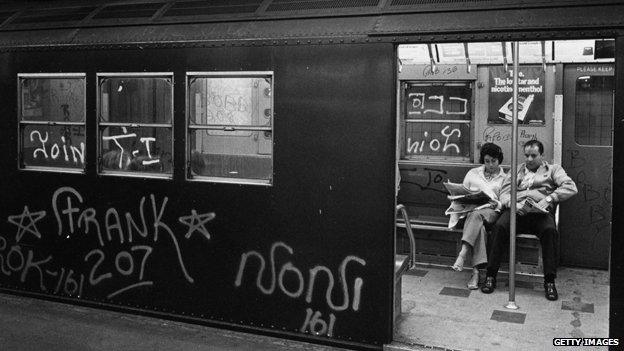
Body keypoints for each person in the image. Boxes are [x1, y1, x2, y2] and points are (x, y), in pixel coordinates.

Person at [481, 139, 577, 301]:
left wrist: (549, 199)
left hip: (539, 213)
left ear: (542, 155)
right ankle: (491, 276)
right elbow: (504, 193)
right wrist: (513, 204)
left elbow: (570, 187)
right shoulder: (516, 170)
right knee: (499, 228)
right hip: (516, 211)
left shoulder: (553, 170)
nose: (529, 159)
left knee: (550, 231)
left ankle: (549, 281)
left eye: (534, 155)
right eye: (527, 155)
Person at [451, 143, 506, 289]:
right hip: (472, 212)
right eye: (487, 161)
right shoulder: (473, 173)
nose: (490, 165)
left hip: (491, 212)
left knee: (476, 217)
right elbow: (463, 192)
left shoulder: (505, 178)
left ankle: (462, 254)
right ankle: (476, 273)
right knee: (479, 229)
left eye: (493, 161)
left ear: (499, 160)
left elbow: (506, 200)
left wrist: (498, 204)